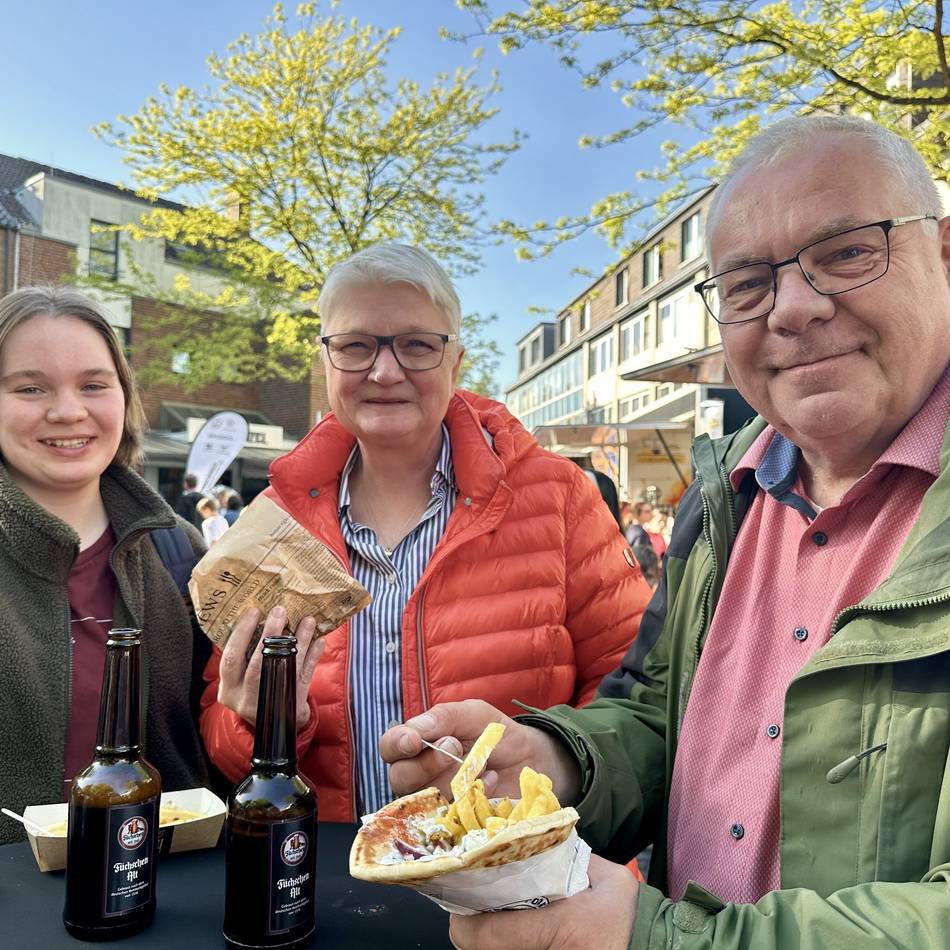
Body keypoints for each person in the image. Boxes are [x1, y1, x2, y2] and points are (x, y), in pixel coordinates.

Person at [381, 114, 950, 949]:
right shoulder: (726, 495)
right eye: (748, 284)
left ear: (944, 255)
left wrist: (656, 939)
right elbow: (660, 709)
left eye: (846, 252)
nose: (793, 307)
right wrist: (552, 760)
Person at [200, 242, 652, 821]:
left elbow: (634, 700)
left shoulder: (557, 497)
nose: (384, 372)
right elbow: (219, 728)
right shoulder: (273, 525)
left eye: (417, 345)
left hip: (512, 884)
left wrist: (553, 770)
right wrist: (260, 726)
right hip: (328, 881)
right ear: (327, 362)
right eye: (356, 346)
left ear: (455, 362)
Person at [0, 286, 210, 844]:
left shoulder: (180, 551)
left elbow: (219, 738)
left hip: (162, 893)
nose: (69, 410)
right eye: (29, 387)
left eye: (94, 384)